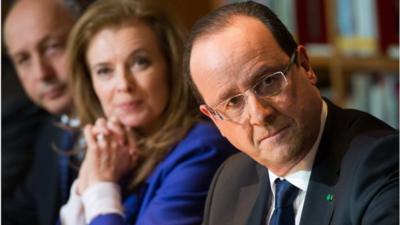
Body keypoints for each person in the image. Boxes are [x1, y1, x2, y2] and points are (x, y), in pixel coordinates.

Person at [183, 2, 399, 225]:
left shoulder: (382, 162)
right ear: (215, 120)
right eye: (233, 102)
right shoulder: (230, 181)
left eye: (268, 81)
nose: (259, 115)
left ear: (305, 66)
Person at [59, 0, 237, 224]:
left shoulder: (203, 149)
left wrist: (100, 187)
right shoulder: (111, 153)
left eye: (139, 62)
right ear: (90, 84)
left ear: (169, 66)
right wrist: (85, 185)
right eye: (104, 71)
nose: (123, 84)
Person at [2, 1, 90, 225]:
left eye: (52, 47)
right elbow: (20, 214)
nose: (41, 73)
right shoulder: (51, 132)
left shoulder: (135, 122)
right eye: (23, 59)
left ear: (87, 35)